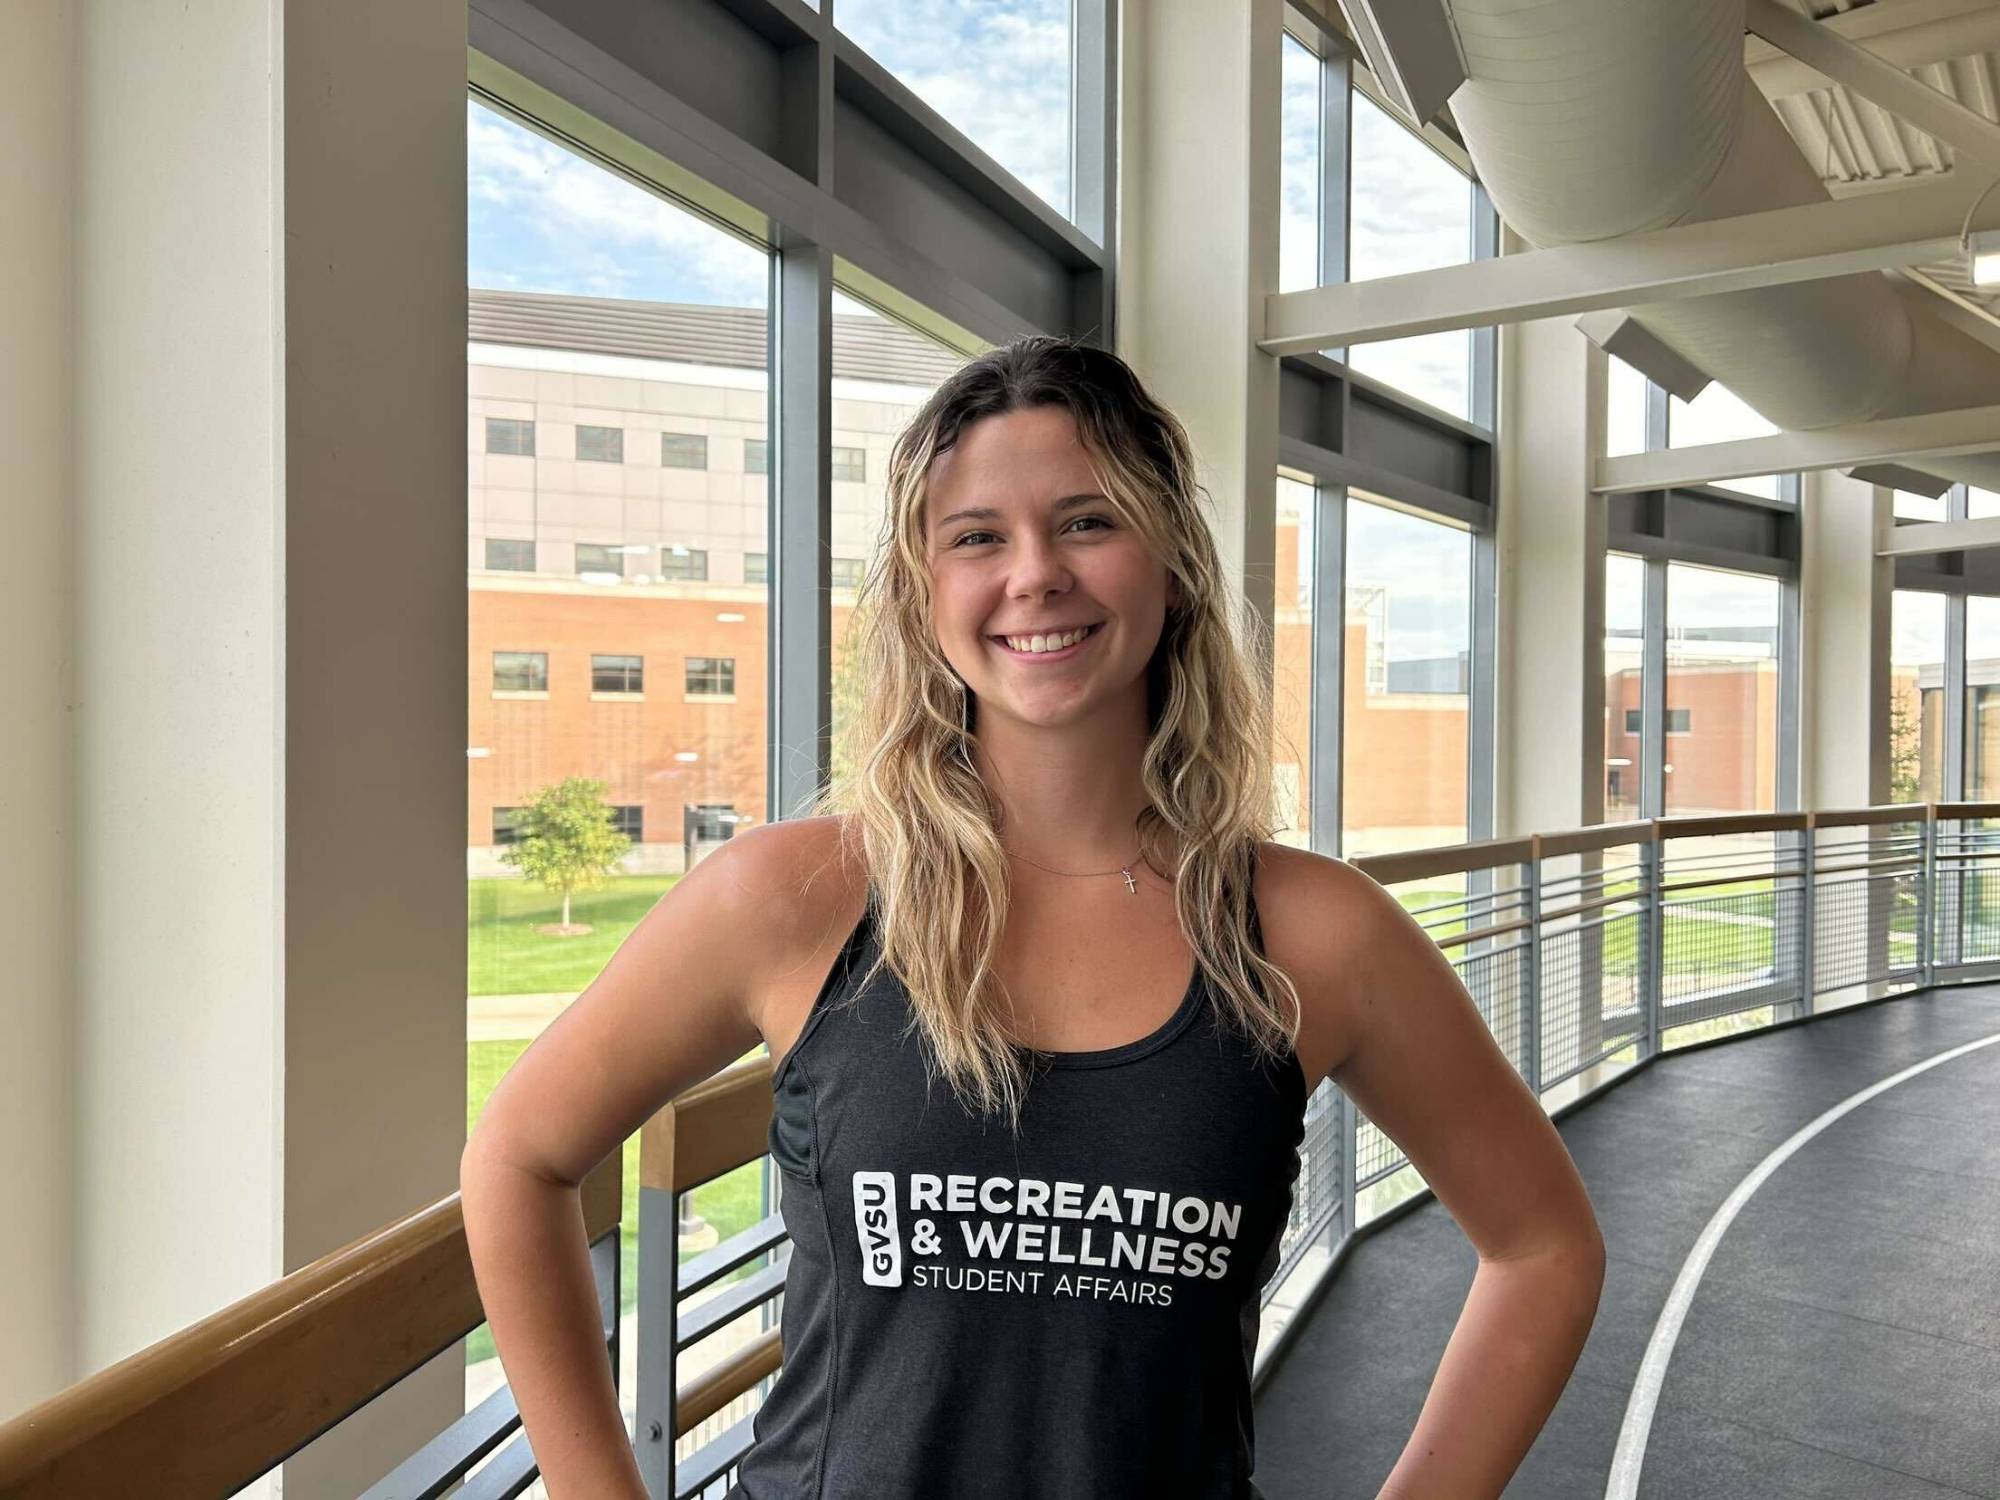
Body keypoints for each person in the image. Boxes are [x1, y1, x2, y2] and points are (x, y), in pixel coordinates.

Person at [460, 336, 1606, 1500]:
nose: (1034, 574)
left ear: (1173, 566)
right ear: (923, 594)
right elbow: (517, 1158)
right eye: (976, 538)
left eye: (1087, 522)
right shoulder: (794, 899)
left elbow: (1543, 1247)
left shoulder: (1312, 935)